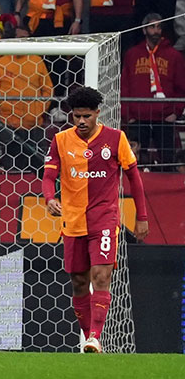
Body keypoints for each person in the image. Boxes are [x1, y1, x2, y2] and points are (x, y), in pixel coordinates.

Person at [43, 86, 149, 353]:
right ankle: (91, 339)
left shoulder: (116, 138)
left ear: (97, 113)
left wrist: (142, 216)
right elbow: (48, 177)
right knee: (79, 282)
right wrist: (49, 198)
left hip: (104, 219)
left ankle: (94, 337)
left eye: (86, 116)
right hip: (73, 221)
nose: (81, 121)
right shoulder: (61, 140)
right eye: (76, 116)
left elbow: (134, 178)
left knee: (101, 276)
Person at [121, 13, 185, 164]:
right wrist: (127, 114)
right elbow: (124, 85)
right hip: (137, 117)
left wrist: (176, 112)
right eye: (152, 27)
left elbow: (181, 87)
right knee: (136, 162)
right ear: (144, 30)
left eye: (159, 27)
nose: (156, 31)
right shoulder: (132, 54)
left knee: (167, 161)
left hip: (164, 118)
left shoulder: (174, 56)